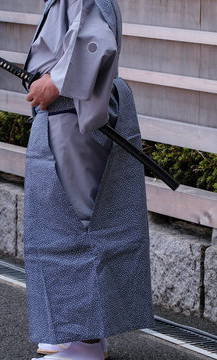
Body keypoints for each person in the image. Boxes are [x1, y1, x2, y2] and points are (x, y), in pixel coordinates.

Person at [22, 0, 154, 359]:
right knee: (55, 228)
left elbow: (95, 42)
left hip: (77, 113)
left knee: (80, 230)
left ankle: (87, 342)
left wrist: (56, 80)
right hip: (64, 114)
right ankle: (67, 330)